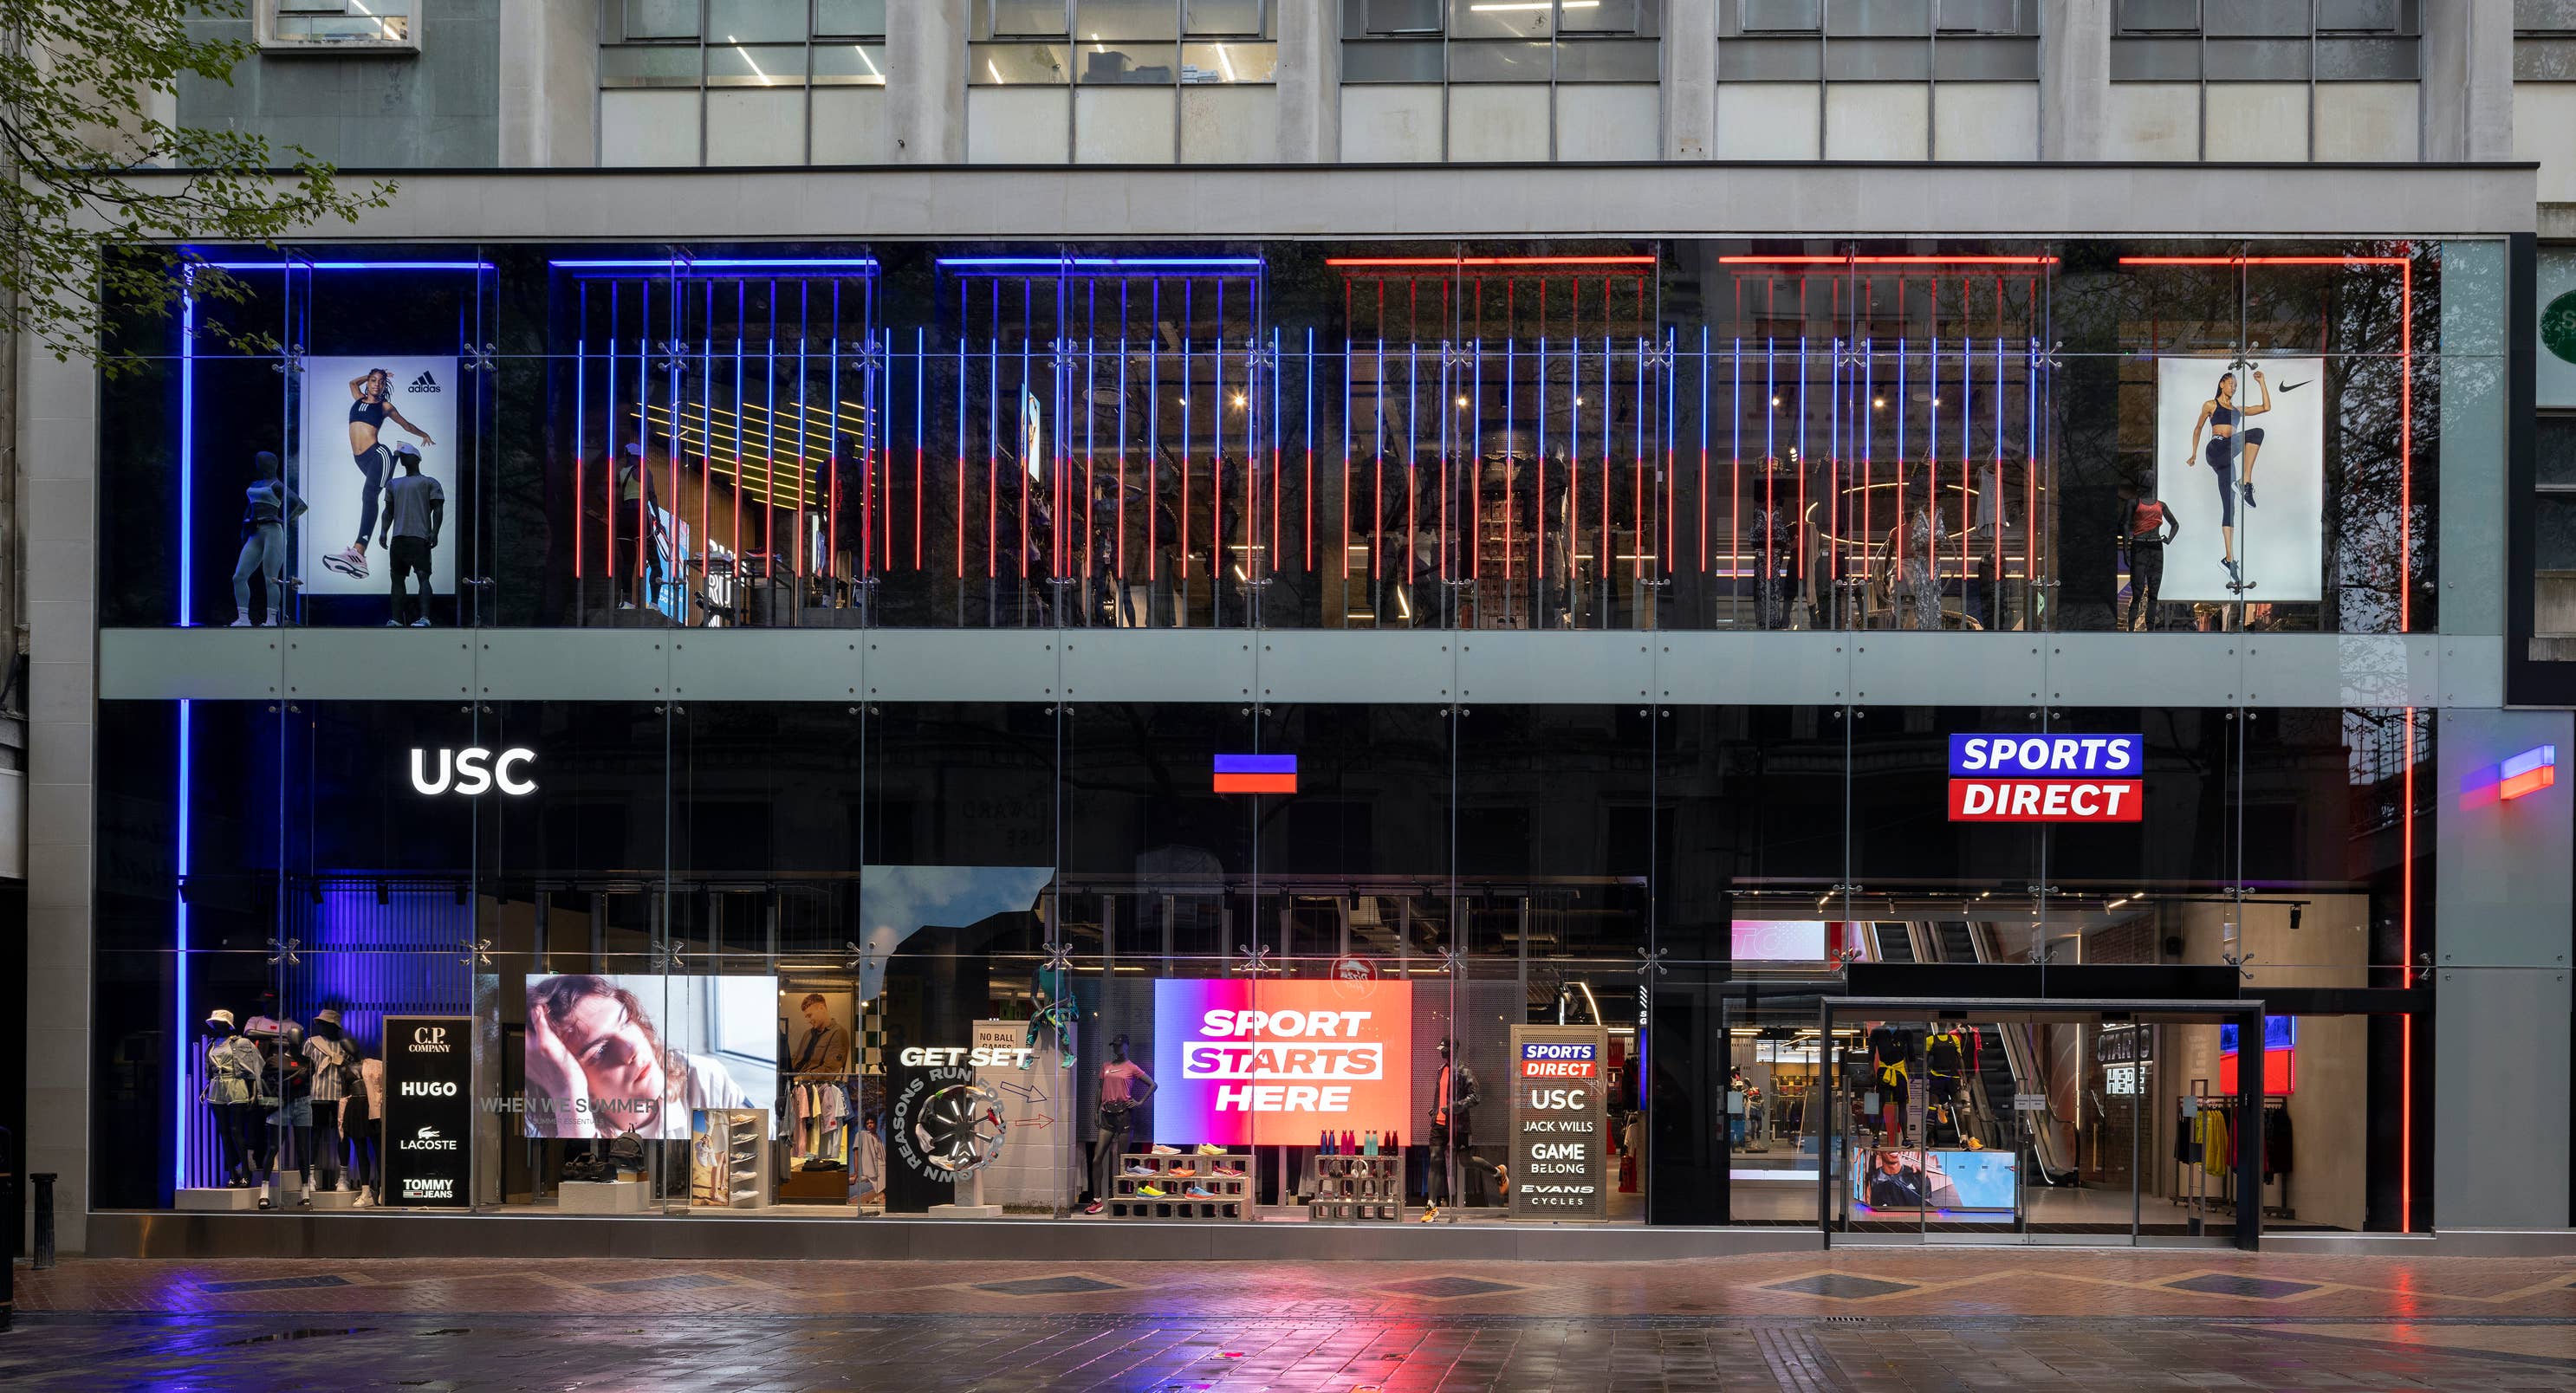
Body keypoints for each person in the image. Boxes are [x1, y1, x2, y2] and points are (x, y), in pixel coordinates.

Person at [523, 975, 755, 1140]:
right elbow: (581, 1200)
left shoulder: (703, 1079)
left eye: (625, 1022)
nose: (632, 1048)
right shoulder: (540, 1129)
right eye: (601, 1051)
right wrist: (566, 1094)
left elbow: (760, 1164)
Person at [325, 368, 435, 580]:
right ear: (368, 383)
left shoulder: (384, 406)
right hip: (361, 459)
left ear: (385, 386)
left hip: (378, 454)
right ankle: (398, 456)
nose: (377, 384)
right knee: (378, 493)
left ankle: (358, 552)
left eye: (381, 382)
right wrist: (370, 375)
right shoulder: (358, 398)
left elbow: (406, 424)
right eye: (373, 381)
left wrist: (423, 434)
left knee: (369, 495)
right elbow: (352, 383)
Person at [2185, 367, 2269, 592]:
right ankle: (2245, 482)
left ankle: (2229, 559)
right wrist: (2193, 454)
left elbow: (2265, 407)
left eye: (2236, 385)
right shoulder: (2210, 405)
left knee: (2229, 507)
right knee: (2256, 433)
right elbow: (2197, 428)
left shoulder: (2238, 410)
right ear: (2221, 384)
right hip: (2216, 448)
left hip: (2227, 459)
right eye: (2230, 383)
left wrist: (2261, 382)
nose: (2233, 387)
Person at [230, 450, 304, 627]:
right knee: (239, 576)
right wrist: (244, 528)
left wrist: (285, 520)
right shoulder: (255, 484)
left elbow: (300, 505)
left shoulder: (277, 485)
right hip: (255, 532)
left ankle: (271, 620)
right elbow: (249, 508)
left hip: (273, 531)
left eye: (262, 461)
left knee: (270, 577)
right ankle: (243, 618)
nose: (260, 464)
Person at [376, 442, 444, 626]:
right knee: (397, 578)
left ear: (416, 458)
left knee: (423, 576)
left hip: (419, 536)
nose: (403, 459)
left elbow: (438, 509)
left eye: (405, 455)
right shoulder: (393, 484)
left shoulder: (429, 482)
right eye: (401, 456)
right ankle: (397, 618)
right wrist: (383, 531)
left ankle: (425, 617)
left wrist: (434, 532)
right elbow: (388, 510)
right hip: (399, 537)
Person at [2120, 481, 2180, 632]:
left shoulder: (2160, 505)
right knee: (2138, 593)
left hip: (2153, 547)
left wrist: (2168, 539)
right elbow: (2126, 524)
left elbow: (2175, 524)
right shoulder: (2135, 503)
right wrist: (2127, 548)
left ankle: (2149, 630)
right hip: (2141, 546)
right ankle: (2132, 630)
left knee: (2152, 594)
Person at [787, 993, 851, 1077]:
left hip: (813, 1087)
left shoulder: (838, 1033)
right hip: (796, 1082)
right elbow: (795, 1059)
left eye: (810, 1015)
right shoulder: (808, 1034)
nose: (808, 1020)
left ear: (821, 1008)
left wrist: (799, 1079)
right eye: (807, 1017)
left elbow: (829, 1071)